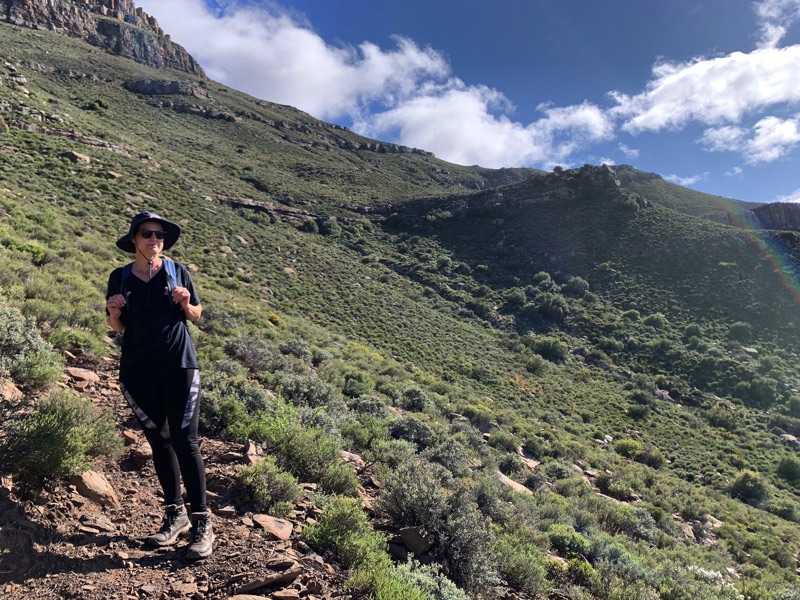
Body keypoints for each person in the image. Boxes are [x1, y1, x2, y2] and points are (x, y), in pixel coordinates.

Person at [105, 211, 212, 559]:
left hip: (179, 366)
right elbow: (118, 327)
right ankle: (175, 515)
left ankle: (202, 523)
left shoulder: (177, 271)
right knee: (159, 441)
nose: (154, 239)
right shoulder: (120, 277)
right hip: (138, 371)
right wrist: (114, 312)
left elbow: (196, 315)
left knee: (185, 441)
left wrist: (185, 302)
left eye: (160, 235)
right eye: (147, 233)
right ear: (134, 239)